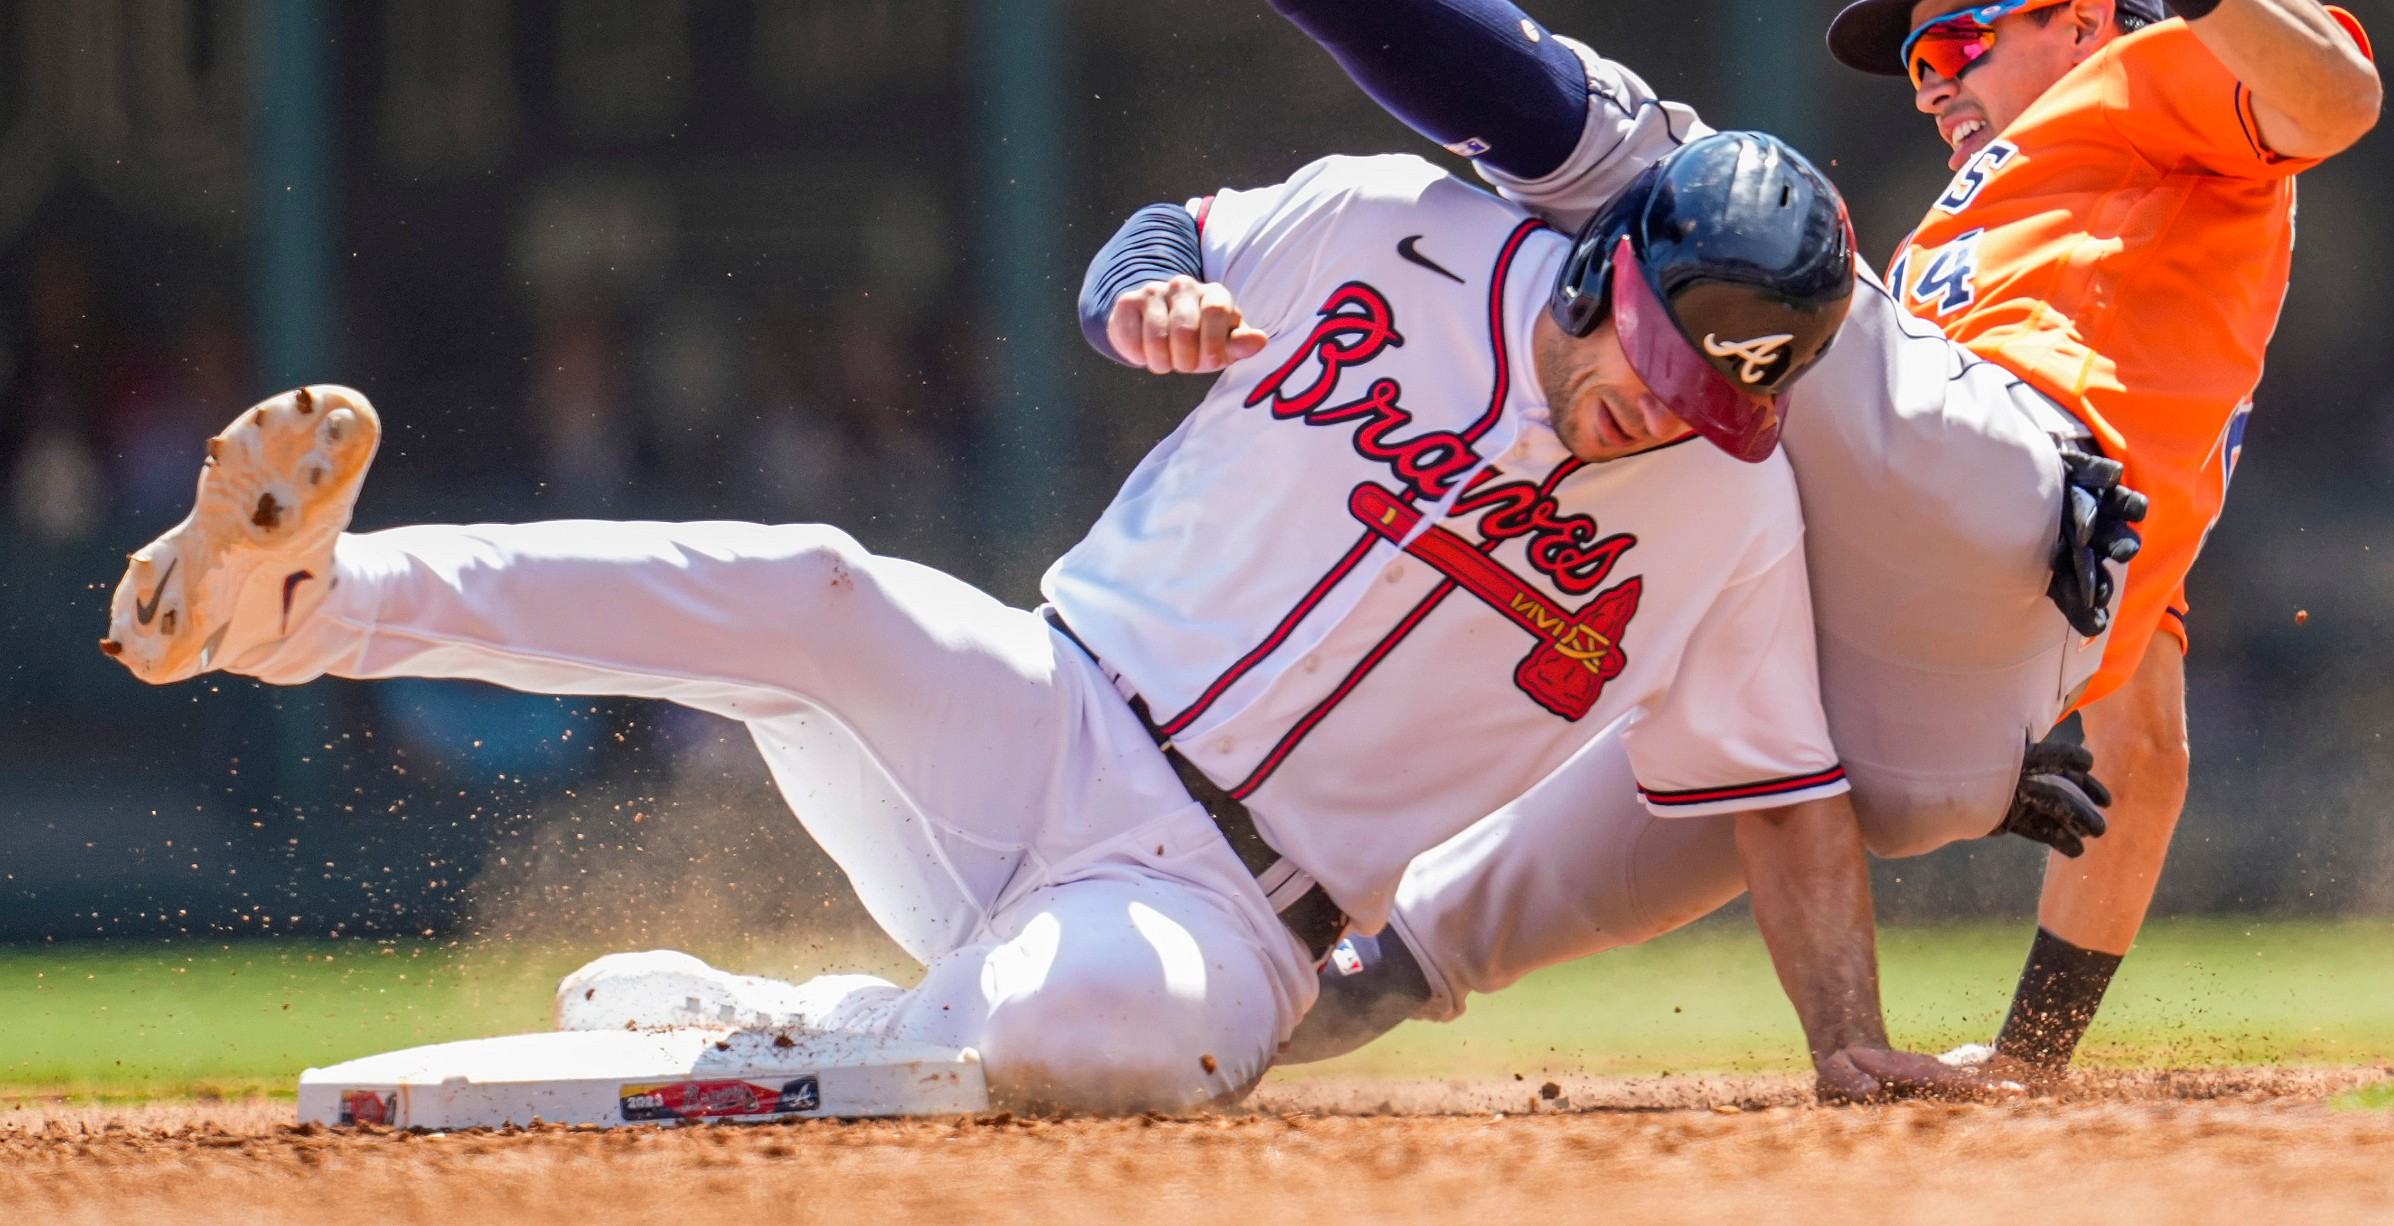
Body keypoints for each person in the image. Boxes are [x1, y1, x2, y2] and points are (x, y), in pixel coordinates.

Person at [1031, 0, 2379, 1074]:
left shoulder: (2164, 77)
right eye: (1915, 56)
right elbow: (2150, 747)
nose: (1931, 80)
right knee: (1411, 930)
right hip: (1924, 708)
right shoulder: (1952, 276)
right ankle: (1107, 1021)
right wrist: (2033, 1057)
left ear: (2080, 17)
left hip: (1996, 507)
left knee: (1670, 184)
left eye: (1959, 35)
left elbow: (2336, 104)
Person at [99, 129, 1985, 1114]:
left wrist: (1846, 1034)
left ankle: (799, 1032)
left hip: (1238, 914)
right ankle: (304, 605)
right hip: (1043, 703)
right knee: (808, 588)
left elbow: (1783, 787)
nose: (1676, 404)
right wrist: (1141, 306)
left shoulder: (1730, 516)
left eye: (1730, 389)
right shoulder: (1392, 228)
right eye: (1667, 352)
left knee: (1084, 1031)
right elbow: (1156, 240)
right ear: (1604, 259)